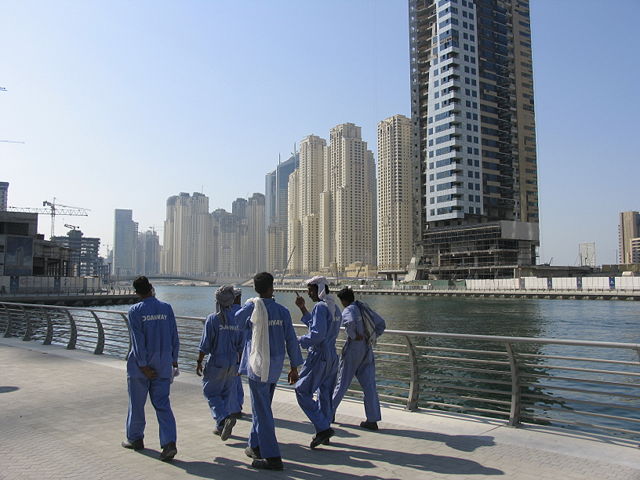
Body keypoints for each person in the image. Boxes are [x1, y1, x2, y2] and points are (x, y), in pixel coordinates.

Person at [235, 272, 303, 471]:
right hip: (275, 367)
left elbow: (237, 321)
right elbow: (291, 339)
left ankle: (273, 457)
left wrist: (250, 305)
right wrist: (294, 367)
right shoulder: (282, 311)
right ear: (272, 287)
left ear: (255, 289)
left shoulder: (252, 307)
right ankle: (254, 445)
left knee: (262, 411)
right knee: (262, 407)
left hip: (257, 366)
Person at [122, 276, 179, 461]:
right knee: (163, 405)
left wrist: (144, 365)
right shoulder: (166, 308)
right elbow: (174, 336)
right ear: (151, 288)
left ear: (136, 292)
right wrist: (174, 361)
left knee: (137, 404)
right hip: (163, 364)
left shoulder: (135, 311)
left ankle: (135, 438)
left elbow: (137, 342)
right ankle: (169, 443)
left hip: (141, 367)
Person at [294, 276, 342, 449]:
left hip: (319, 356)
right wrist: (302, 309)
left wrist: (298, 340)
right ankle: (325, 429)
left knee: (302, 390)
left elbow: (316, 335)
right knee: (325, 395)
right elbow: (319, 327)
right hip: (332, 357)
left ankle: (323, 428)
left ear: (316, 290)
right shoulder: (335, 308)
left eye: (309, 291)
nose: (308, 294)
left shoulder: (320, 307)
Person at [332, 286, 386, 430]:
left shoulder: (349, 310)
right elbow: (381, 324)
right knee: (369, 385)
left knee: (342, 382)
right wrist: (372, 336)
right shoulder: (363, 307)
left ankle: (328, 413)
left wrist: (354, 336)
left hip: (353, 349)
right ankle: (372, 419)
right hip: (367, 349)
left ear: (343, 301)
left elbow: (348, 323)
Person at [196, 285, 243, 441]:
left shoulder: (213, 319)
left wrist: (199, 361)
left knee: (211, 392)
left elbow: (205, 345)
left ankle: (222, 418)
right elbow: (241, 344)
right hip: (232, 363)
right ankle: (220, 426)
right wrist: (239, 365)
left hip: (217, 362)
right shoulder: (237, 318)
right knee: (225, 394)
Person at [228, 286, 244, 418]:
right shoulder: (245, 312)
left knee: (232, 382)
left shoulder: (226, 313)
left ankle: (234, 409)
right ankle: (238, 405)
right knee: (238, 381)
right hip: (243, 353)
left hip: (230, 354)